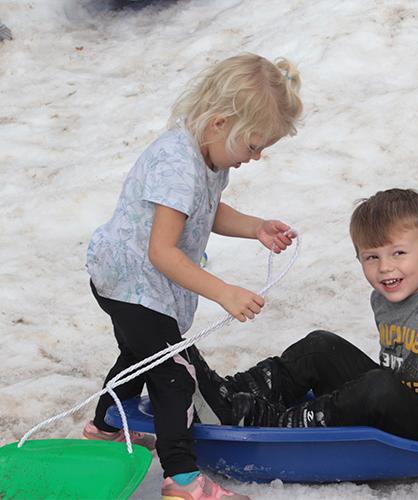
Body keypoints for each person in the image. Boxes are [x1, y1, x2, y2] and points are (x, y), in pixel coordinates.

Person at [83, 53, 303, 499]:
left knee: (137, 357)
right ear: (221, 123)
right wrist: (224, 292)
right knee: (174, 376)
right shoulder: (178, 164)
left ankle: (105, 426)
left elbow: (207, 210)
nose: (256, 157)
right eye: (254, 145)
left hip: (132, 278)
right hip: (134, 283)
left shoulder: (207, 157)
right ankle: (182, 479)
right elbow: (162, 251)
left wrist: (255, 227)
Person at [191, 188, 418, 470]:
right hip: (392, 403)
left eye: (399, 253)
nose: (385, 267)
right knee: (320, 345)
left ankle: (278, 423)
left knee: (378, 385)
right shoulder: (384, 297)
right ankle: (231, 394)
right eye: (371, 257)